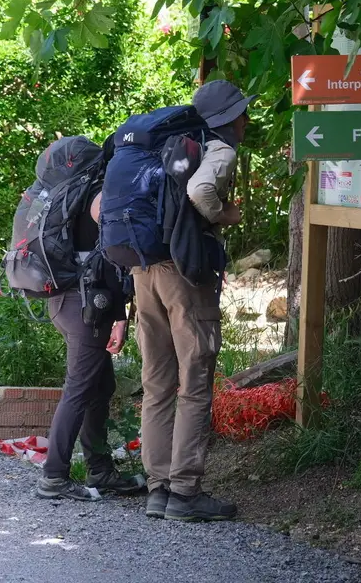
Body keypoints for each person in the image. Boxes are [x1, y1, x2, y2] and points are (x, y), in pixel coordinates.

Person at [135, 79, 254, 522]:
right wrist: (225, 213)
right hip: (183, 274)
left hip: (143, 270)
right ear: (228, 117)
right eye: (241, 112)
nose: (246, 120)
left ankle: (158, 488)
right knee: (196, 375)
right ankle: (184, 493)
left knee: (157, 381)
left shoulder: (162, 144)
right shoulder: (218, 147)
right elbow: (200, 192)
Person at [36, 136, 143, 501]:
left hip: (64, 302)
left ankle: (100, 470)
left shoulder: (68, 195)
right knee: (80, 389)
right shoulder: (98, 197)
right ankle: (54, 476)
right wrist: (120, 315)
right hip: (86, 307)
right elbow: (111, 257)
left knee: (100, 386)